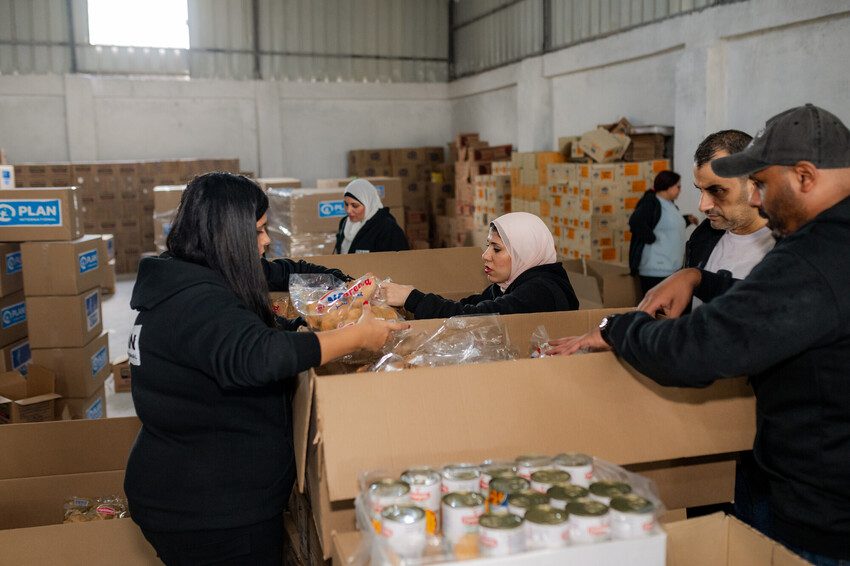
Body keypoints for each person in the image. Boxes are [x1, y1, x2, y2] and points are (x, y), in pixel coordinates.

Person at [548, 104, 850, 564]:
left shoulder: (813, 257)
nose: (758, 200)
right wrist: (700, 279)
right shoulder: (829, 248)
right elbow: (779, 307)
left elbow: (694, 351)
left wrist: (619, 326)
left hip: (825, 513)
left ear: (805, 177)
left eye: (764, 184)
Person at [125, 172, 407, 565]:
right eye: (258, 230)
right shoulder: (197, 301)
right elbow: (261, 356)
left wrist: (332, 295)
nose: (266, 240)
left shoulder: (189, 277)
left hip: (193, 492)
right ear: (229, 233)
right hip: (211, 513)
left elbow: (272, 285)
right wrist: (357, 337)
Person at [380, 212, 579, 319]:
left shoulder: (540, 291)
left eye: (497, 249)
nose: (485, 256)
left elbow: (475, 319)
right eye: (487, 246)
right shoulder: (506, 287)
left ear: (523, 253)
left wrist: (412, 298)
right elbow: (466, 306)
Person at [685, 130, 774, 309]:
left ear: (754, 183)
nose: (702, 206)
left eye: (717, 190)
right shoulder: (702, 237)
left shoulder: (790, 249)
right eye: (700, 190)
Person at [627, 170, 698, 295]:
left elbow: (666, 226)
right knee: (657, 312)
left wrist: (686, 220)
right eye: (678, 186)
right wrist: (651, 238)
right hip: (656, 270)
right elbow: (636, 221)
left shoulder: (669, 205)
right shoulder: (651, 202)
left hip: (670, 269)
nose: (680, 190)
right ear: (668, 186)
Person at [333, 179, 409, 254]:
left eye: (355, 205)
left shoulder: (388, 229)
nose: (348, 210)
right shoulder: (344, 223)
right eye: (346, 204)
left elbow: (400, 260)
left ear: (368, 204)